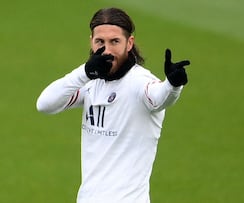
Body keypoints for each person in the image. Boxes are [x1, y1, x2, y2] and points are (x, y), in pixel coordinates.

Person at [36, 7, 190, 203]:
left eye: (114, 41)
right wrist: (85, 72)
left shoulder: (140, 82)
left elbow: (159, 98)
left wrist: (173, 85)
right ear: (91, 41)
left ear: (129, 43)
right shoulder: (91, 83)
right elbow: (45, 104)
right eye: (100, 41)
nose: (107, 50)